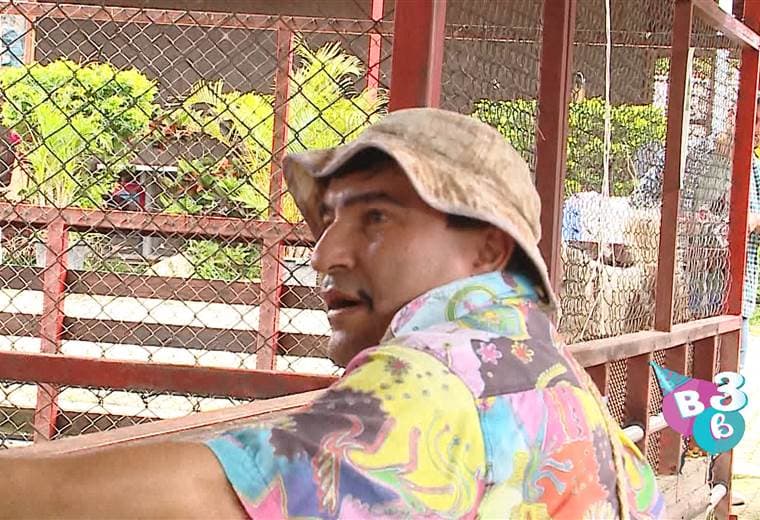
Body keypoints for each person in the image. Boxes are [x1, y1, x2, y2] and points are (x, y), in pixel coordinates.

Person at [0, 109, 664, 518]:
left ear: (487, 248)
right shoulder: (550, 378)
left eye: (376, 217)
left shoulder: (445, 377)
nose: (324, 253)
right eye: (331, 218)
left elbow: (215, 499)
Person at [741, 99, 760, 371]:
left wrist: (754, 221)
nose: (757, 130)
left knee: (730, 378)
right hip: (691, 292)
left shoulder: (755, 167)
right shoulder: (703, 155)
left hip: (740, 293)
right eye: (754, 120)